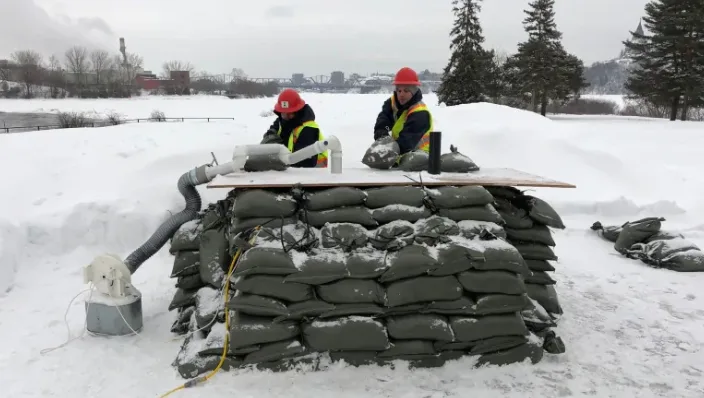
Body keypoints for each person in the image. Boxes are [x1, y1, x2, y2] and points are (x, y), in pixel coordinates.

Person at [373, 67, 434, 155]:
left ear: (413, 92)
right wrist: (382, 134)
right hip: (399, 154)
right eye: (399, 90)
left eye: (406, 91)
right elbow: (384, 119)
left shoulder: (420, 113)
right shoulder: (392, 104)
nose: (401, 94)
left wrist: (388, 152)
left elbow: (407, 141)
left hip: (420, 157)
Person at [260, 88, 328, 168]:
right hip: (289, 170)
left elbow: (305, 162)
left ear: (298, 111)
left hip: (314, 174)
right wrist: (270, 138)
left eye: (290, 114)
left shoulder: (308, 129)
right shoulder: (282, 121)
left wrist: (275, 160)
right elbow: (271, 133)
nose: (286, 117)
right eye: (284, 114)